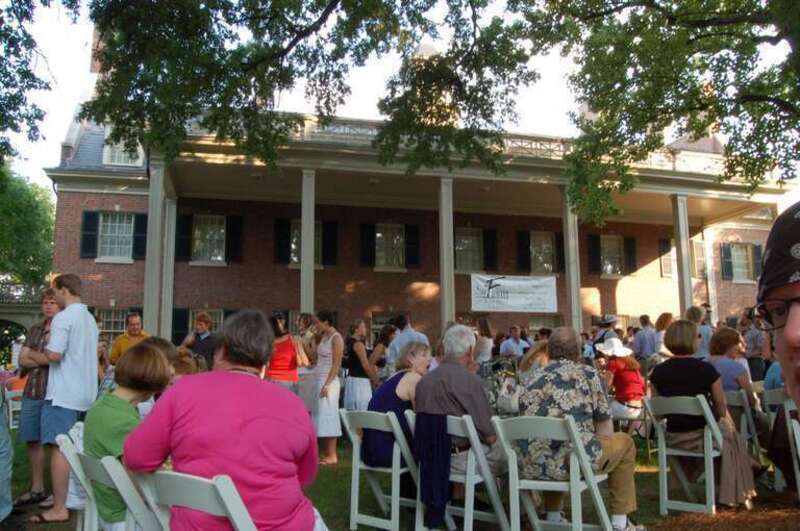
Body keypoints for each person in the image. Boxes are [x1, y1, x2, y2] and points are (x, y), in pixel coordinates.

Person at [124, 310, 325, 530]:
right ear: (266, 359)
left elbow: (136, 456)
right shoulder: (293, 405)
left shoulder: (182, 391)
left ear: (221, 350)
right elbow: (305, 475)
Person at [519, 327, 642, 531]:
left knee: (553, 445)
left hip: (533, 464)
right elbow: (605, 431)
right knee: (625, 443)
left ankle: (554, 517)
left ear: (548, 350)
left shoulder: (531, 378)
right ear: (578, 351)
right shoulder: (589, 375)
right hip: (573, 463)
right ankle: (621, 523)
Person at [649, 320, 756, 507]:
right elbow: (722, 408)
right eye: (698, 335)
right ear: (692, 340)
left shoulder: (657, 373)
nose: (700, 339)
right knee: (733, 437)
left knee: (727, 436)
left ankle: (712, 483)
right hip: (703, 437)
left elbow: (658, 412)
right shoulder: (707, 370)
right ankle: (735, 492)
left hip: (672, 437)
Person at [28, 274, 99, 525]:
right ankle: (76, 499)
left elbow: (54, 355)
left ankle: (60, 507)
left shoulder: (63, 318)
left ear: (64, 290)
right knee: (79, 449)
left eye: (55, 291)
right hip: (87, 394)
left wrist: (36, 355)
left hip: (63, 395)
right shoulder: (89, 318)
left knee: (58, 449)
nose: (54, 297)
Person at [84, 342, 171, 531]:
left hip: (108, 506)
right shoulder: (121, 422)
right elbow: (140, 479)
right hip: (127, 514)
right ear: (154, 381)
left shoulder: (104, 405)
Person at [414, 324, 506, 476]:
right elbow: (490, 437)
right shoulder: (471, 382)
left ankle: (462, 496)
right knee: (512, 454)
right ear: (470, 350)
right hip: (462, 461)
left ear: (444, 348)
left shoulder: (424, 381)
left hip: (429, 457)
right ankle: (508, 499)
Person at [14, 288, 59, 509]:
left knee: (53, 442)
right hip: (32, 391)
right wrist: (41, 358)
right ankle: (37, 488)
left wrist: (34, 355)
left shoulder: (63, 329)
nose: (48, 305)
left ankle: (57, 491)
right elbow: (22, 360)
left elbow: (57, 361)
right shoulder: (34, 330)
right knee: (32, 439)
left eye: (53, 301)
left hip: (54, 394)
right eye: (45, 302)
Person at [362, 342, 432, 467]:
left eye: (430, 355)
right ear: (410, 358)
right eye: (424, 355)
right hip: (393, 452)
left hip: (369, 452)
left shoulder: (392, 378)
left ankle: (410, 486)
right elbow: (423, 416)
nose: (429, 359)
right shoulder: (414, 378)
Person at [707, 327, 769, 437]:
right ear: (731, 345)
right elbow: (751, 400)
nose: (741, 347)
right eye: (739, 343)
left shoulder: (703, 364)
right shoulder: (736, 367)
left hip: (711, 422)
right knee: (769, 423)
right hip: (738, 421)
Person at [313, 310, 344, 465]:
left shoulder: (336, 338)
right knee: (320, 416)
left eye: (317, 321)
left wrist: (327, 384)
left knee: (329, 415)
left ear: (326, 322)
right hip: (319, 379)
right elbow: (315, 358)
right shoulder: (323, 336)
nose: (316, 324)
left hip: (329, 381)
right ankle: (325, 453)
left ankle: (332, 455)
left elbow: (337, 364)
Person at [596, 338, 645, 422]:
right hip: (640, 406)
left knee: (597, 412)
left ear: (607, 353)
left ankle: (609, 433)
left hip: (625, 408)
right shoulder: (630, 363)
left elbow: (605, 388)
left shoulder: (613, 363)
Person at [344, 319, 380, 411]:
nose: (365, 329)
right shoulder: (358, 344)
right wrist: (375, 380)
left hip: (351, 379)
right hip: (360, 382)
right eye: (363, 327)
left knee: (353, 410)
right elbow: (365, 364)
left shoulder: (349, 343)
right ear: (356, 329)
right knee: (362, 409)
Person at [266, 315, 308, 394]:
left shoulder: (267, 343)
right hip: (289, 381)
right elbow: (303, 363)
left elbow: (265, 365)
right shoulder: (293, 339)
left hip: (270, 380)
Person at [741, 309, 768, 381]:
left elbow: (761, 349)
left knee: (756, 386)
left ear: (750, 318)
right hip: (746, 361)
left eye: (744, 315)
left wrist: (748, 355)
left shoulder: (758, 329)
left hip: (755, 362)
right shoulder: (746, 330)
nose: (742, 317)